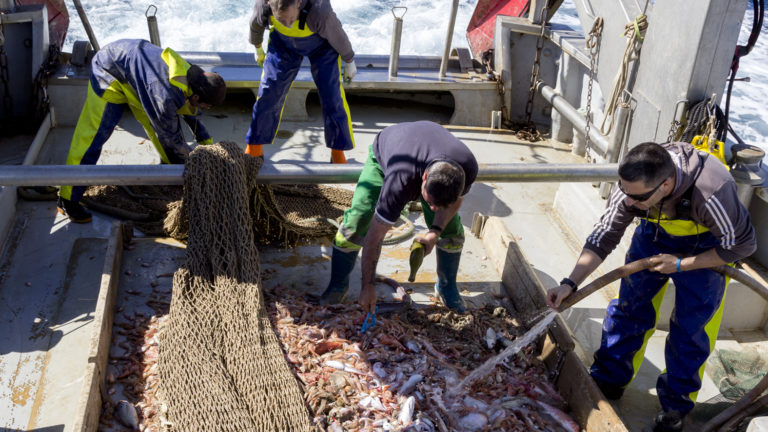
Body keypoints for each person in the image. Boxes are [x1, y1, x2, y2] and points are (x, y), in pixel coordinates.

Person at [546, 142, 756, 432]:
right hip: (654, 231)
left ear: (666, 184)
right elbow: (604, 235)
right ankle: (610, 377)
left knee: (691, 329)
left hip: (707, 247)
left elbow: (743, 245)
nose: (628, 202)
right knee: (629, 308)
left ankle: (676, 405)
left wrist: (682, 264)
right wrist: (570, 283)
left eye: (637, 198)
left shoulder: (713, 192)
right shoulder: (633, 186)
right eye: (625, 193)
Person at [311, 121, 478, 314]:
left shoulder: (466, 167)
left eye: (438, 205)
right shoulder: (400, 180)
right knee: (358, 220)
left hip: (428, 147)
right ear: (424, 178)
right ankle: (338, 286)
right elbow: (375, 235)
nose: (432, 209)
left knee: (452, 231)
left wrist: (435, 231)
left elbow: (456, 202)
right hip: (388, 149)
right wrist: (368, 286)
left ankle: (446, 288)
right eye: (430, 202)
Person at [58, 39, 226, 223]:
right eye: (206, 105)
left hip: (138, 80)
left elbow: (190, 113)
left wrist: (207, 146)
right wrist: (197, 164)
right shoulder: (164, 98)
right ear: (195, 95)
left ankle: (173, 175)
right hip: (109, 73)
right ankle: (67, 199)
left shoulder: (193, 76)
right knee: (93, 137)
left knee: (161, 135)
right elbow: (172, 139)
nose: (207, 109)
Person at [244, 0, 356, 164]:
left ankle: (337, 152)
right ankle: (254, 147)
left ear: (298, 3)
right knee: (269, 91)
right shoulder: (263, 5)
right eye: (281, 20)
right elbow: (256, 24)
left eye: (291, 19)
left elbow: (338, 35)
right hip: (283, 44)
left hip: (322, 46)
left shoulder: (320, 11)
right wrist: (258, 47)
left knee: (332, 96)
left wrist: (349, 60)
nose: (288, 24)